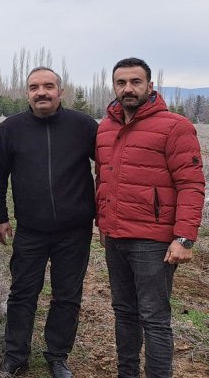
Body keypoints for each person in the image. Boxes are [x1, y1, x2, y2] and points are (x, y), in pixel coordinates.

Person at [96, 57, 204, 378]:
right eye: (121, 83)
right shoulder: (105, 128)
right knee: (124, 313)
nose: (128, 89)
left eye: (135, 82)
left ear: (150, 86)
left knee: (154, 318)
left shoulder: (175, 126)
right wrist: (103, 225)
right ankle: (126, 373)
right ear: (114, 86)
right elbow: (102, 178)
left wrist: (184, 237)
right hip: (116, 239)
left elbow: (191, 183)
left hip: (153, 243)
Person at [0, 67, 98, 378]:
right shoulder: (11, 128)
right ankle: (16, 356)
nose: (41, 92)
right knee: (22, 293)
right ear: (27, 93)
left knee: (67, 296)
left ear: (60, 91)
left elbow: (108, 169)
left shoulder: (83, 126)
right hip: (30, 230)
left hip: (75, 231)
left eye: (48, 86)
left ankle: (57, 356)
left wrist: (103, 214)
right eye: (34, 87)